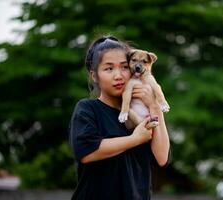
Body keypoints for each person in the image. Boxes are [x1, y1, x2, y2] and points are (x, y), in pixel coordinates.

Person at [69, 35, 170, 200]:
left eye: (124, 67)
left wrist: (153, 106)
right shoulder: (88, 109)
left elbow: (161, 157)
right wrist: (135, 139)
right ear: (94, 76)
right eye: (109, 69)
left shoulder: (144, 113)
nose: (119, 75)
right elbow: (86, 152)